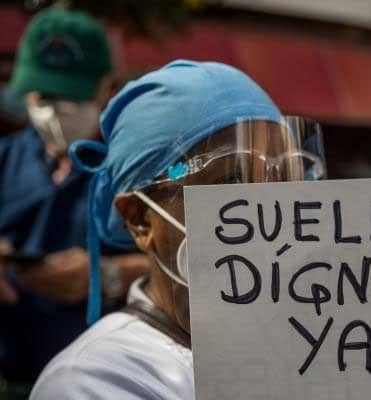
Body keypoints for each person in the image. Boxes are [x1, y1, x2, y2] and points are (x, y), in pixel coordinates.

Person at [29, 59, 326, 399]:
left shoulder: (315, 341)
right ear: (140, 218)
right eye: (230, 181)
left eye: (284, 178)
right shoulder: (97, 379)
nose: (269, 211)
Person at [0, 9, 149, 395]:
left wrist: (110, 275)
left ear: (108, 90)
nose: (53, 113)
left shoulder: (137, 168)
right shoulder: (5, 158)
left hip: (103, 385)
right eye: (41, 97)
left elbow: (190, 261)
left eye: (70, 99)